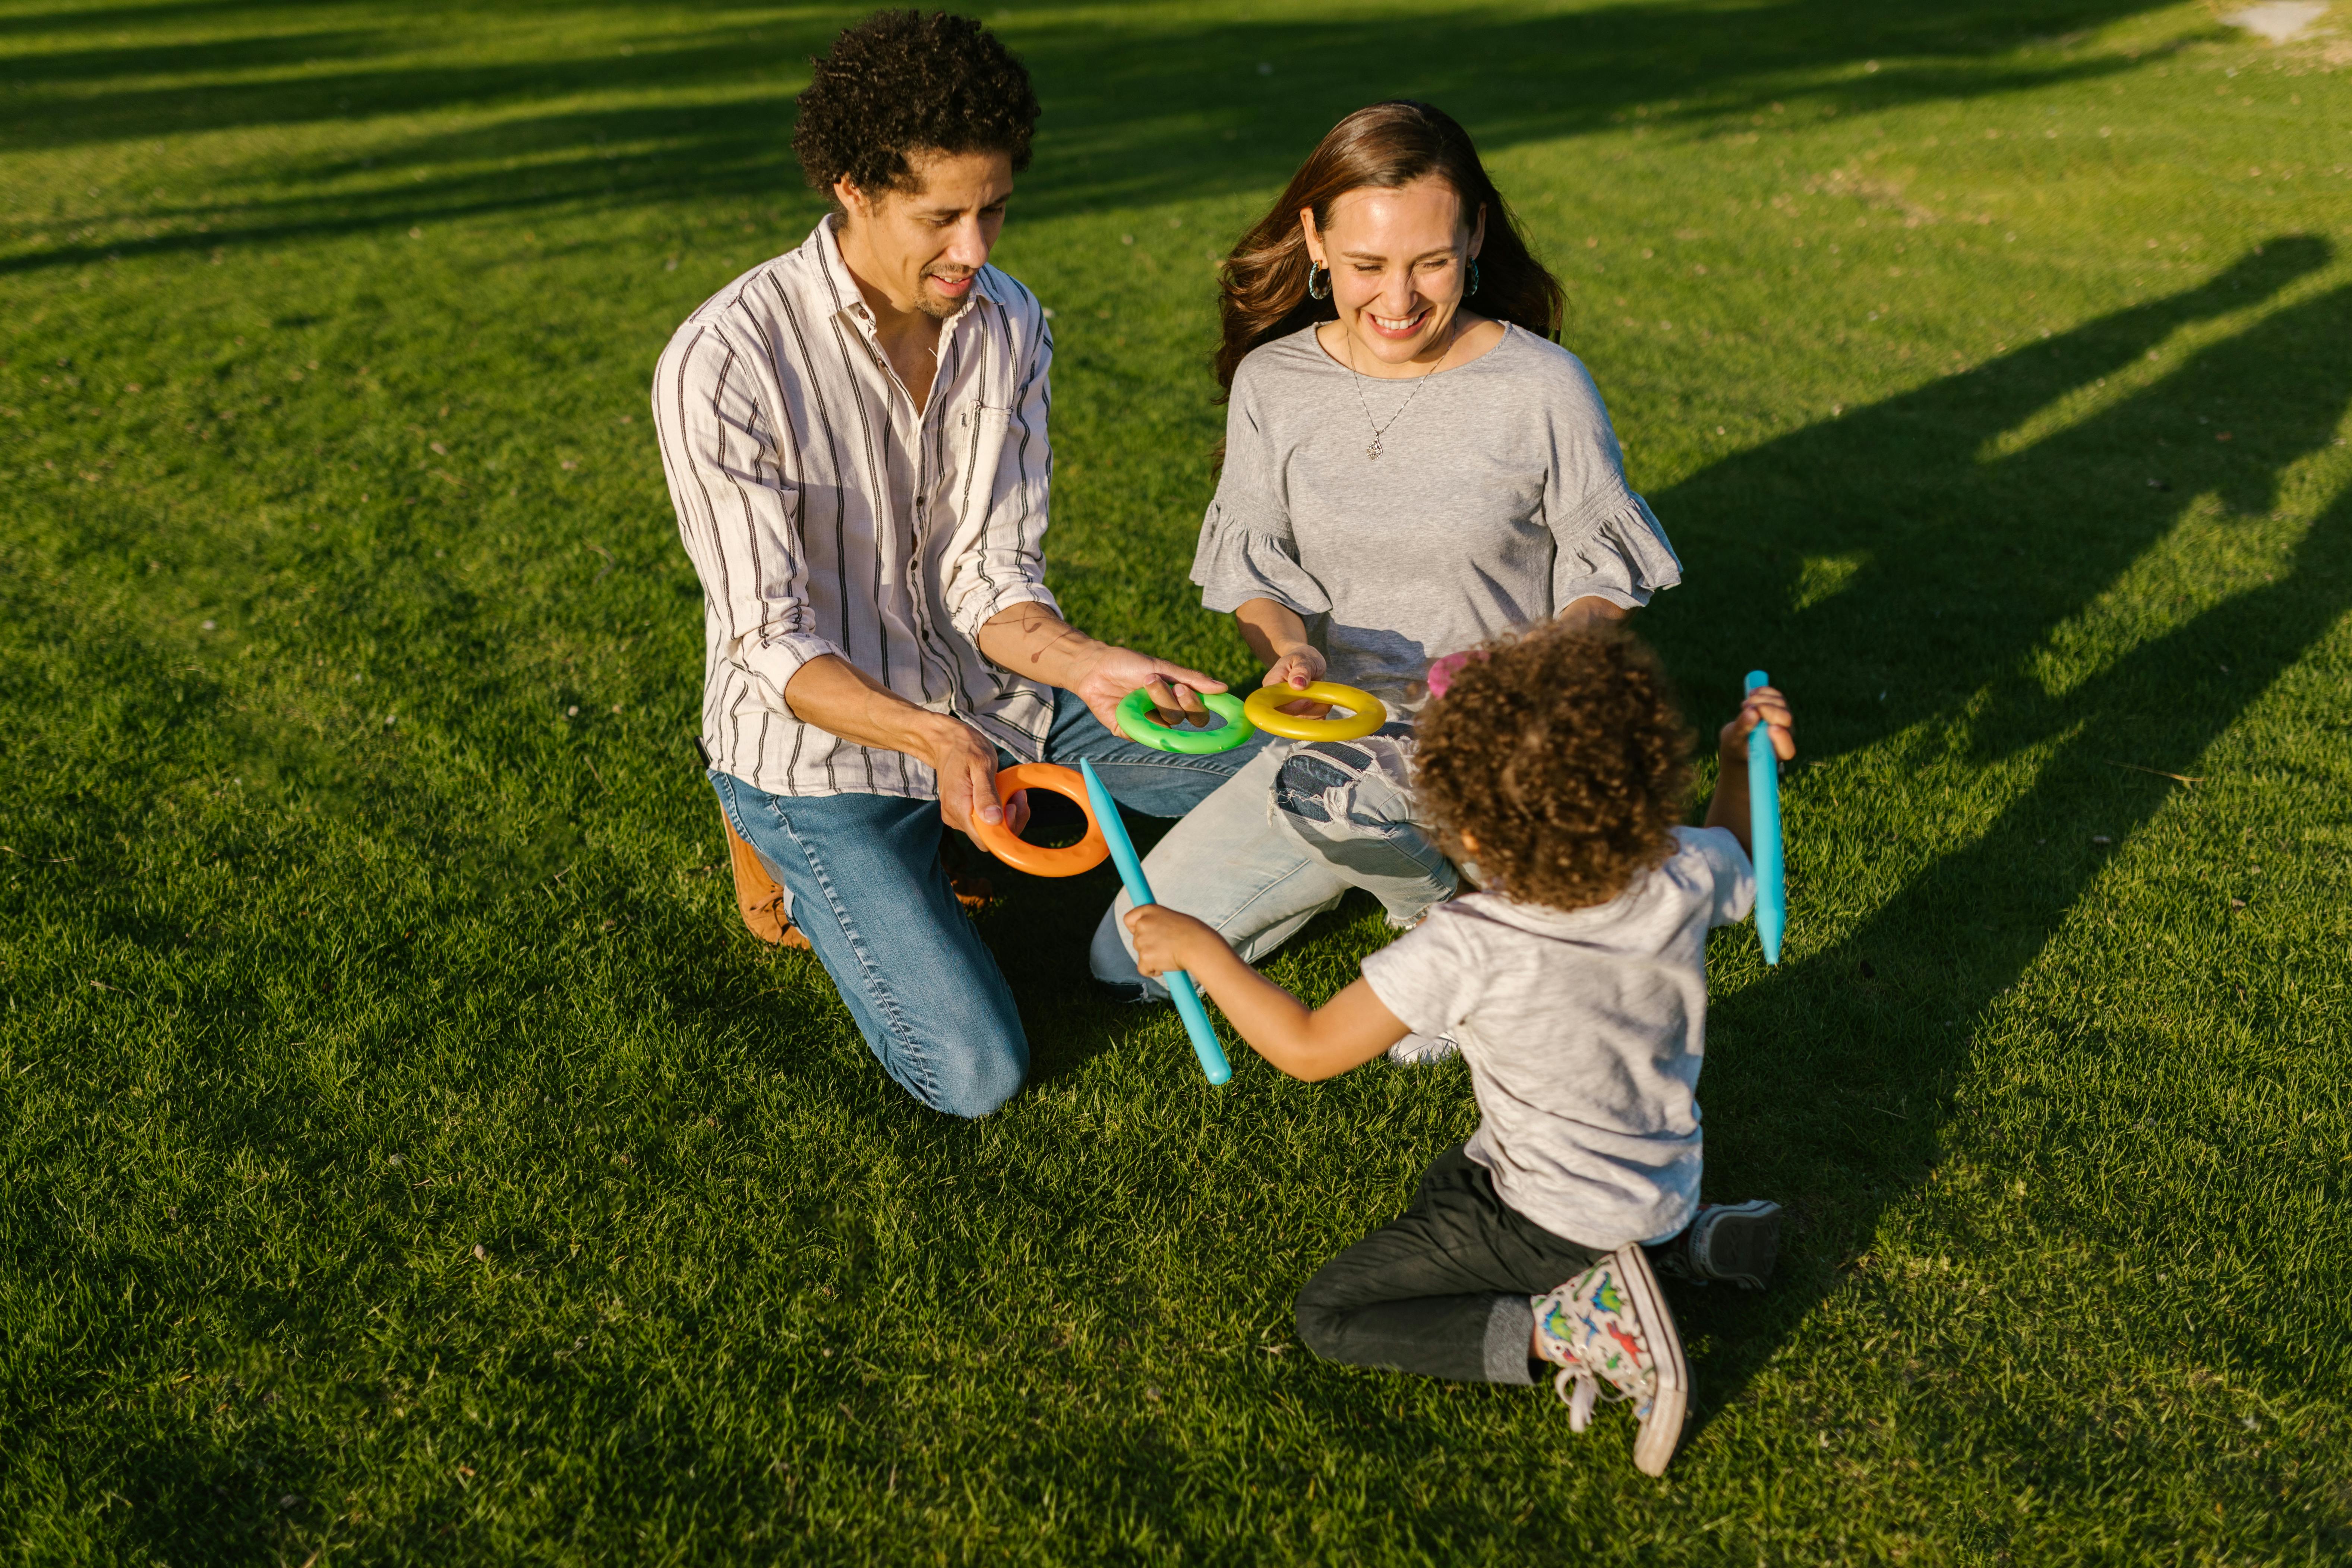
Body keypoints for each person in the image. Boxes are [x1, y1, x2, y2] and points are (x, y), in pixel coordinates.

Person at [652, 11, 1259, 1118]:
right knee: (975, 1076)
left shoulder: (1010, 321)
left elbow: (989, 573)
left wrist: (1086, 667)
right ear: (852, 187)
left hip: (999, 698)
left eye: (995, 211)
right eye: (941, 218)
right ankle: (785, 848)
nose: (975, 252)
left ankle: (961, 845)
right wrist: (935, 742)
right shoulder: (725, 360)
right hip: (815, 749)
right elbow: (768, 643)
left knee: (1272, 772)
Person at [1125, 624, 1790, 1477]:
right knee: (1449, 1179)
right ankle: (1678, 1245)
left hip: (1551, 1213)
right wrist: (1740, 768)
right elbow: (1742, 853)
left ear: (1466, 830)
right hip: (1662, 1173)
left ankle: (1581, 1325)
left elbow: (1309, 1047)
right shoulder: (1681, 868)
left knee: (1330, 1314)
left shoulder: (1469, 944)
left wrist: (1204, 951)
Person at [1090, 101, 1683, 1044]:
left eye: (1431, 262)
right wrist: (1285, 646)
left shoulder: (1541, 388)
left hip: (1498, 746)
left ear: (1477, 236)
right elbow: (1258, 568)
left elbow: (1601, 569)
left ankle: (1432, 925)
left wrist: (1527, 671)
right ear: (1315, 241)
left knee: (1376, 826)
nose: (1398, 300)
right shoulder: (1275, 383)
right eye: (1367, 265)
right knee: (1126, 960)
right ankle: (1402, 868)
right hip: (1335, 726)